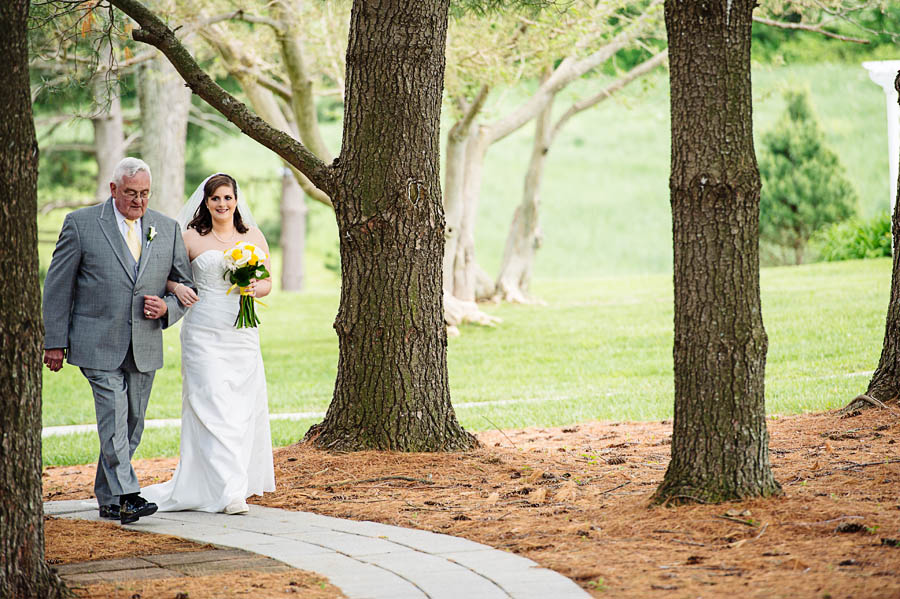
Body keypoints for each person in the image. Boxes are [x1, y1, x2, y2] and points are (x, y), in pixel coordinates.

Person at [43, 157, 194, 525]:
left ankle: (108, 499)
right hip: (96, 341)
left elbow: (185, 285)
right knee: (113, 417)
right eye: (130, 193)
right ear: (113, 190)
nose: (138, 201)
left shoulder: (166, 228)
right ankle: (128, 496)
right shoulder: (81, 225)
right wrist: (54, 341)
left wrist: (167, 308)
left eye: (144, 194)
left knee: (130, 425)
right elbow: (58, 286)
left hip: (144, 344)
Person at [141, 173, 275, 515]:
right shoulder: (190, 237)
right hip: (203, 332)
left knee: (240, 408)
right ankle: (231, 493)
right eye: (216, 199)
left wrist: (252, 288)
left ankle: (229, 483)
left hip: (241, 332)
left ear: (236, 200)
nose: (222, 204)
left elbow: (268, 282)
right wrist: (176, 289)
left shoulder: (252, 236)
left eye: (228, 198)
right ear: (206, 201)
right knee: (211, 404)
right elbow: (166, 276)